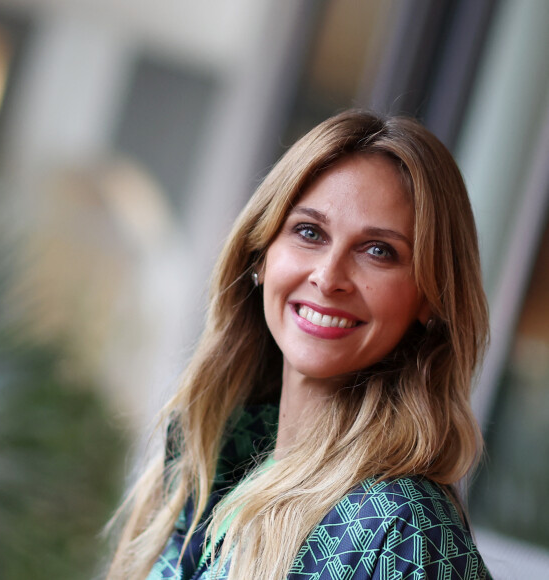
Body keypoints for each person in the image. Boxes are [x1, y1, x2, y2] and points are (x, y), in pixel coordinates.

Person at [106, 110, 492, 579]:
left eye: (378, 251)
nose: (329, 278)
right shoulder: (209, 451)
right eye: (309, 232)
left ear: (429, 298)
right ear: (261, 254)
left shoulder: (403, 532)